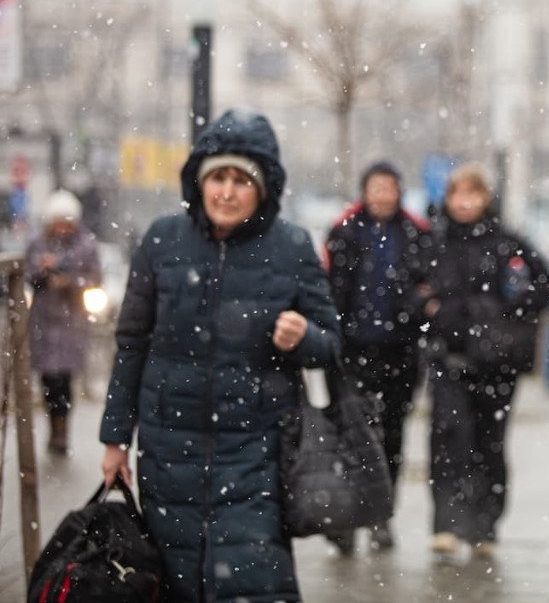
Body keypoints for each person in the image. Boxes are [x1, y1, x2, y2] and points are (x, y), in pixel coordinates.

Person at [99, 108, 342, 603]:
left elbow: (331, 345)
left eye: (240, 180)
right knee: (178, 579)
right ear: (199, 181)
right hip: (170, 449)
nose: (226, 192)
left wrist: (305, 338)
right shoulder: (162, 241)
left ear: (263, 189)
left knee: (252, 581)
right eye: (217, 177)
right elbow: (131, 344)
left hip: (258, 449)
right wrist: (114, 440)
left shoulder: (291, 247)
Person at [422, 162, 549, 560]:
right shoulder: (436, 242)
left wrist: (510, 316)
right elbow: (410, 287)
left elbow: (547, 286)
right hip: (448, 359)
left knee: (490, 445)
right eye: (456, 194)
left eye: (472, 194)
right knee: (449, 440)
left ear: (485, 198)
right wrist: (429, 309)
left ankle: (485, 527)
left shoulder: (506, 242)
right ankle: (447, 525)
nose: (464, 203)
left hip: (497, 365)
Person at [323, 160, 434, 554]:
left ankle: (380, 516)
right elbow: (331, 290)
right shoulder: (344, 232)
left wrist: (419, 313)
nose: (383, 195)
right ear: (365, 191)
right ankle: (347, 519)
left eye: (390, 187)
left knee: (391, 437)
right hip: (352, 353)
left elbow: (429, 287)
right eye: (376, 187)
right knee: (351, 436)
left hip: (400, 354)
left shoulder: (416, 234)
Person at [25, 189, 101, 456]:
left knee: (65, 382)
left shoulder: (85, 245)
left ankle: (62, 432)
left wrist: (70, 278)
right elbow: (28, 275)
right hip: (45, 322)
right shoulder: (38, 242)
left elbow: (93, 278)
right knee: (48, 381)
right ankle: (53, 429)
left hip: (71, 321)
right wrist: (44, 271)